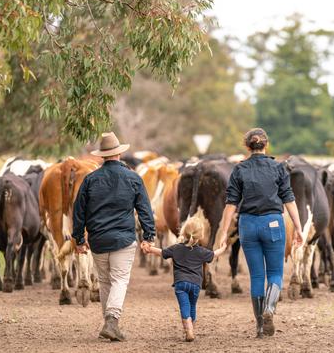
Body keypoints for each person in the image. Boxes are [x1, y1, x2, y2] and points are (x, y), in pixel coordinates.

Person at [218, 128, 303, 338]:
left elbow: (230, 204)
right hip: (273, 222)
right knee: (275, 273)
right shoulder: (278, 168)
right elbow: (289, 199)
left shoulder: (239, 170)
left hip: (247, 225)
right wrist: (299, 227)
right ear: (266, 145)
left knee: (257, 276)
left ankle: (259, 328)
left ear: (247, 146)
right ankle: (270, 309)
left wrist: (222, 233)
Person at [72, 132, 155, 342]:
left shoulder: (90, 179)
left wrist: (79, 239)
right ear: (119, 154)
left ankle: (110, 325)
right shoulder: (133, 178)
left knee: (105, 281)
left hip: (98, 240)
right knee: (120, 280)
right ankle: (111, 320)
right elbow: (145, 209)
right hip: (123, 239)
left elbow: (78, 211)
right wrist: (149, 235)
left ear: (102, 156)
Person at [142, 211, 227, 342]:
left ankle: (189, 330)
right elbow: (215, 254)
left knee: (184, 306)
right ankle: (192, 327)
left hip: (181, 283)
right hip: (196, 285)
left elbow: (161, 252)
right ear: (200, 236)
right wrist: (223, 247)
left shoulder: (176, 248)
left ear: (183, 232)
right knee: (192, 305)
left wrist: (149, 249)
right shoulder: (202, 251)